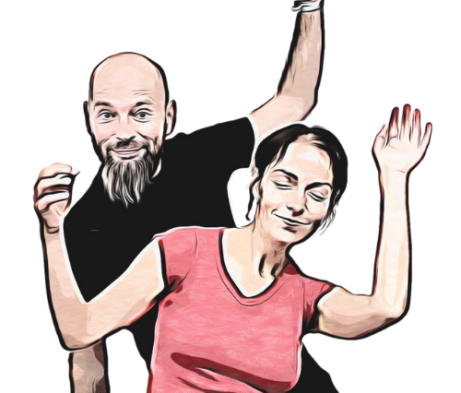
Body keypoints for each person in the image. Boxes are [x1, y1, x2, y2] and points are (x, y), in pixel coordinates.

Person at [33, 0, 333, 392]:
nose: (124, 132)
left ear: (168, 117)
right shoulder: (77, 226)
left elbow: (293, 102)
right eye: (108, 114)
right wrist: (53, 230)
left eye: (141, 113)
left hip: (283, 375)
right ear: (89, 118)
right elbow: (86, 354)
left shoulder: (198, 157)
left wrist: (309, 1)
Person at [34, 106, 432, 392]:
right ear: (256, 183)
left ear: (328, 211)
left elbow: (387, 307)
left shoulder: (303, 297)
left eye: (316, 193)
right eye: (284, 181)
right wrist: (53, 229)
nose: (296, 203)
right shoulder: (184, 250)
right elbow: (78, 329)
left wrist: (395, 175)